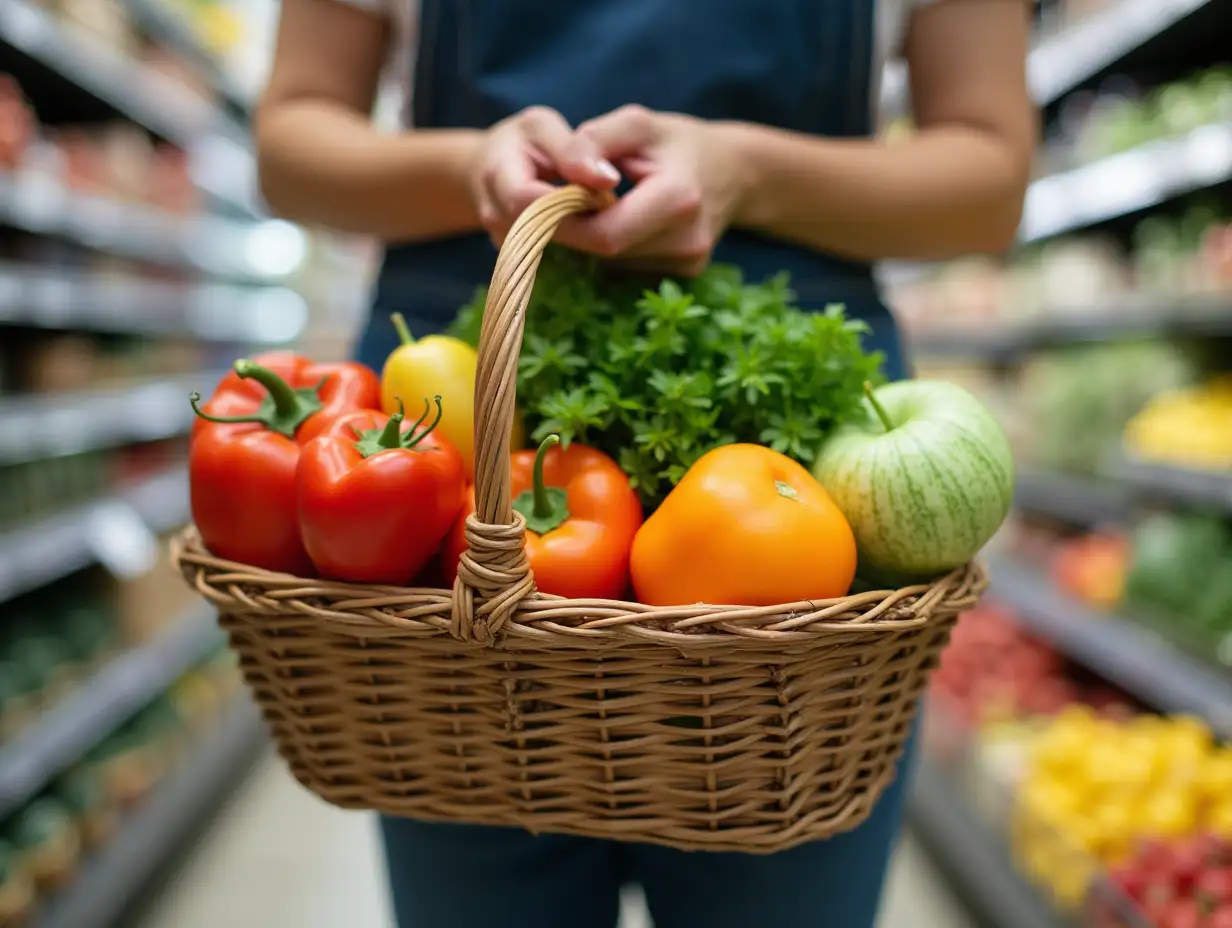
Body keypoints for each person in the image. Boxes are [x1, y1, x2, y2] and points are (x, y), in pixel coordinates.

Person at [254, 0, 1035, 924]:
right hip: (471, 426)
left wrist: (753, 174)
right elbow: (291, 143)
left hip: (801, 432)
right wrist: (470, 167)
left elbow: (992, 177)